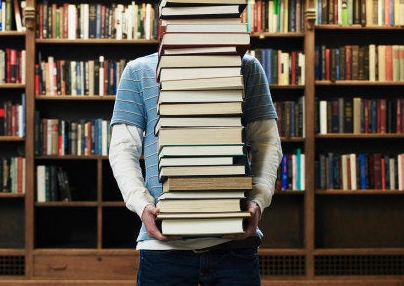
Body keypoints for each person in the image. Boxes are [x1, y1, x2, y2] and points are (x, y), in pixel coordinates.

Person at [108, 51, 282, 285]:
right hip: (163, 247)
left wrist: (258, 202)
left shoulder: (246, 66)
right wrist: (142, 206)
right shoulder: (139, 70)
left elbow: (267, 143)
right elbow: (122, 149)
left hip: (234, 246)